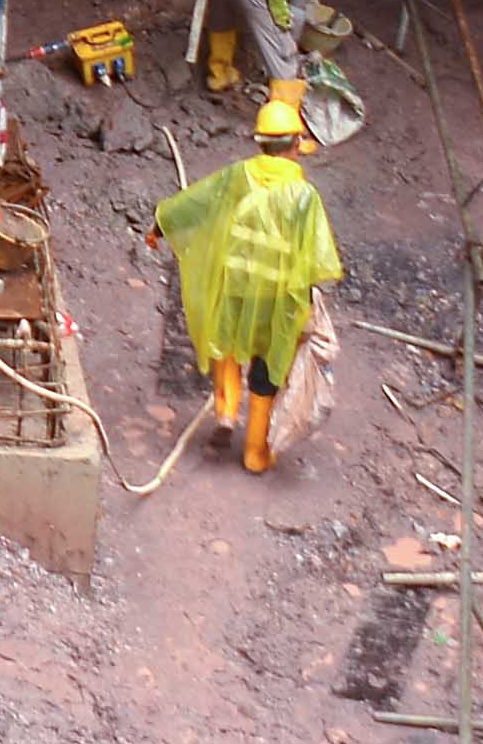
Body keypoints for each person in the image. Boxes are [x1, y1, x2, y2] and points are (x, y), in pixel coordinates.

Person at [147, 89, 346, 478]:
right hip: (277, 297)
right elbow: (320, 260)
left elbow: (196, 202)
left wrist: (160, 225)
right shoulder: (305, 196)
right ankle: (255, 453)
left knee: (227, 343)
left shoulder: (239, 176)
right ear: (294, 145)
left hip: (238, 283)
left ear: (260, 143)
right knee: (267, 367)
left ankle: (225, 410)